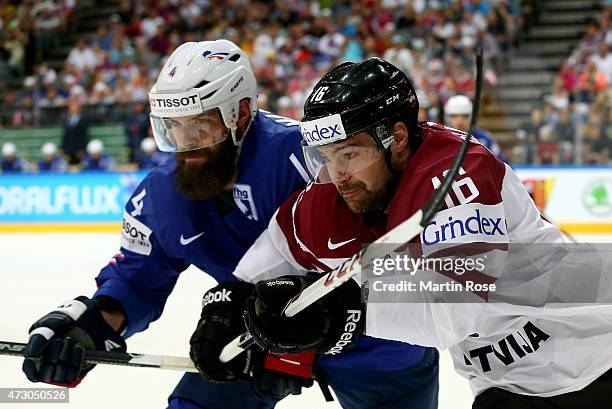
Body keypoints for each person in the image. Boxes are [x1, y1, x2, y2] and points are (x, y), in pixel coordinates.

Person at [21, 40, 431, 409]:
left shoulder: (311, 158)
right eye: (172, 129)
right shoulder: (162, 195)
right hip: (253, 341)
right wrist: (87, 327)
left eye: (199, 126)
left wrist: (298, 344)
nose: (186, 144)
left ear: (241, 113)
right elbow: (135, 280)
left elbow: (392, 253)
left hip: (375, 347)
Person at [240, 58, 612, 408]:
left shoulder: (458, 172)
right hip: (505, 384)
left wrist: (347, 312)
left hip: (593, 357)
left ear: (397, 137)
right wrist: (237, 309)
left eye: (350, 154)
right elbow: (279, 250)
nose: (338, 175)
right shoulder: (337, 195)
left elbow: (454, 307)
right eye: (326, 156)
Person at [444, 94, 509, 163]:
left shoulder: (483, 138)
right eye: (454, 116)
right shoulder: (440, 139)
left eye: (465, 116)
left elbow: (502, 162)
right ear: (447, 117)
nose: (460, 121)